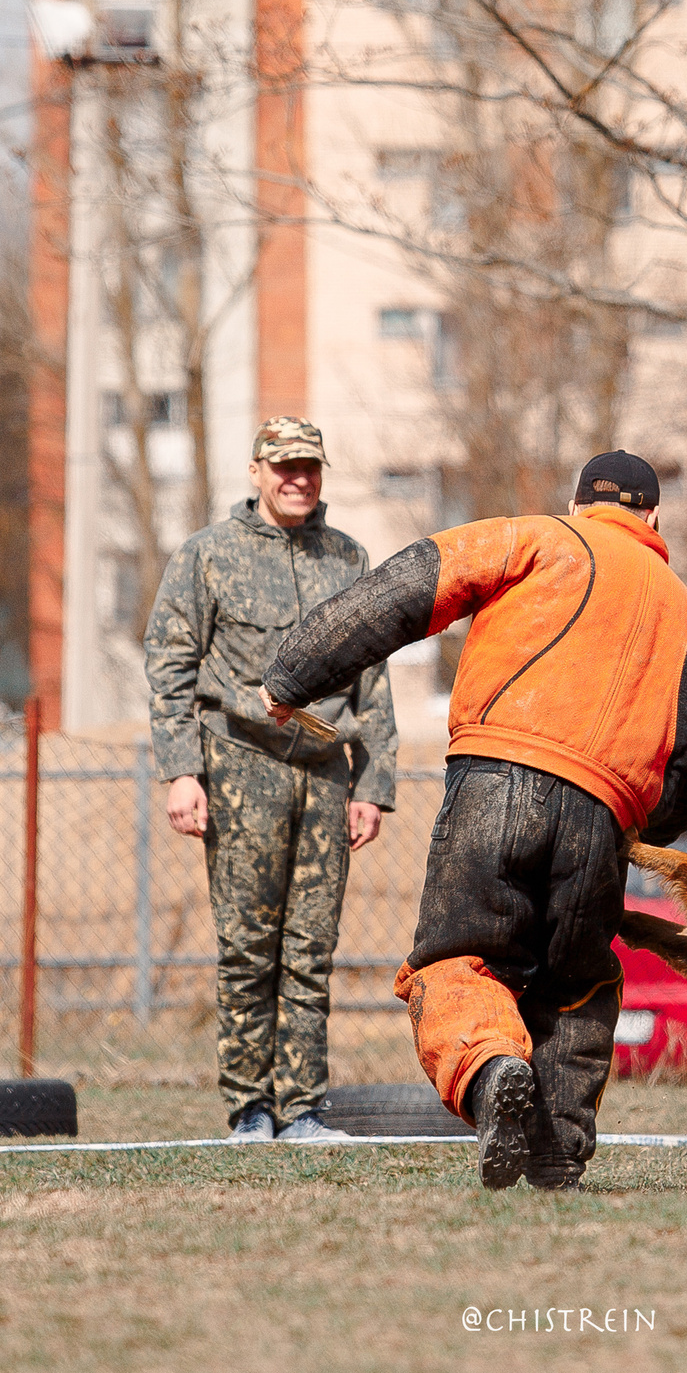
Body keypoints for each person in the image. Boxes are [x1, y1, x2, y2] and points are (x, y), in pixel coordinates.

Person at [260, 450, 687, 1189]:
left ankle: (492, 1070)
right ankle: (558, 1154)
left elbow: (402, 588)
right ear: (655, 516)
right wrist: (643, 829)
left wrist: (293, 672)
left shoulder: (535, 538)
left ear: (579, 502)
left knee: (460, 959)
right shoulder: (686, 615)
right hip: (603, 812)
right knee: (576, 983)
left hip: (495, 777)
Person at [143, 416, 396, 1144]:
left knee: (312, 947)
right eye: (284, 466)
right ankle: (251, 1108)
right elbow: (169, 667)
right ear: (256, 470)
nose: (298, 479)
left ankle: (305, 1109)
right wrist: (182, 771)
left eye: (310, 467)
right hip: (238, 767)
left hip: (323, 770)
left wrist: (374, 783)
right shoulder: (207, 556)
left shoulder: (348, 560)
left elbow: (373, 680)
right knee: (249, 947)